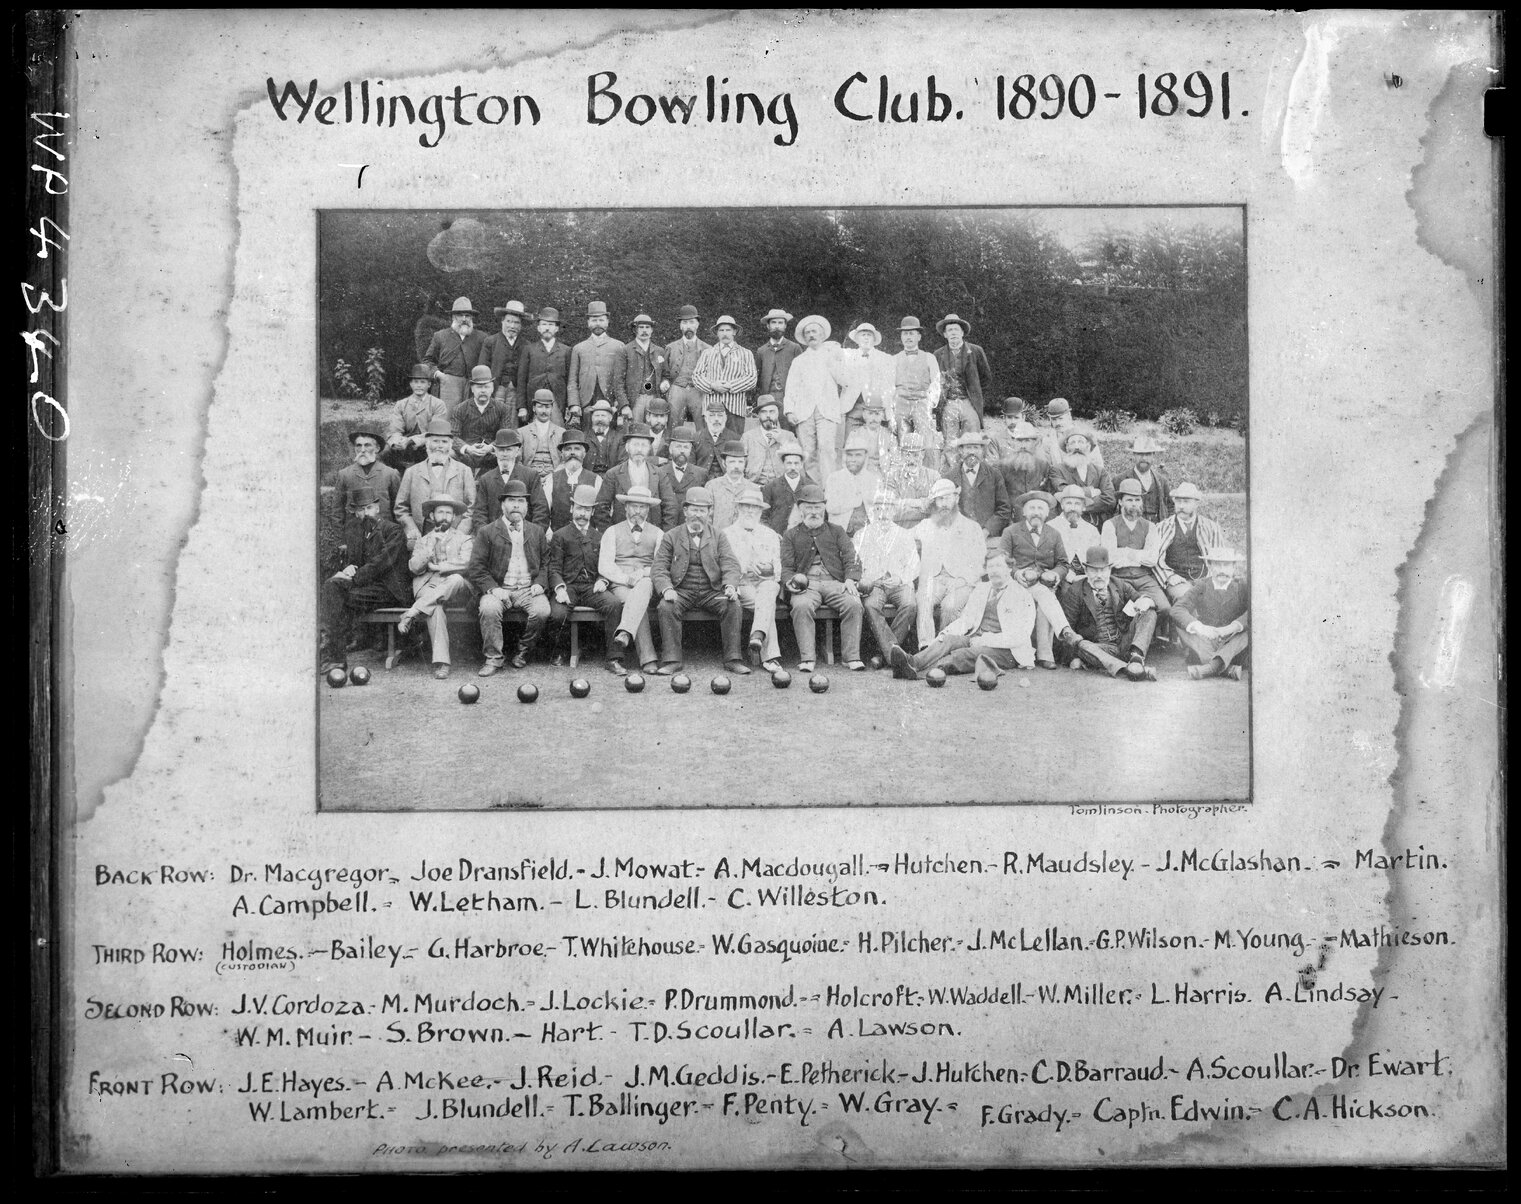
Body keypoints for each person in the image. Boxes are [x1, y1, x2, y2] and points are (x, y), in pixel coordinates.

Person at [888, 550, 1035, 680]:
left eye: (998, 566)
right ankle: (912, 662)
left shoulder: (1021, 595)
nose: (994, 571)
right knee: (948, 640)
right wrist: (945, 633)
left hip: (1008, 651)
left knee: (962, 655)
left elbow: (1019, 636)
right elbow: (966, 620)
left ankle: (923, 672)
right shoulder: (982, 589)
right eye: (990, 567)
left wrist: (984, 640)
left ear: (1009, 568)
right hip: (976, 639)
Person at [652, 486, 749, 675]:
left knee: (733, 605)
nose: (698, 515)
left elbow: (731, 564)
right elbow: (659, 567)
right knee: (666, 606)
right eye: (694, 510)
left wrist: (730, 586)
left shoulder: (719, 535)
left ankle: (733, 659)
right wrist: (666, 589)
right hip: (681, 591)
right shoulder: (671, 536)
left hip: (711, 592)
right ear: (685, 511)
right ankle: (672, 660)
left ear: (709, 513)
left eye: (702, 510)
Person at [319, 486, 410, 673]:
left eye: (368, 508)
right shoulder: (356, 532)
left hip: (389, 590)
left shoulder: (393, 531)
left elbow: (380, 564)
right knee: (333, 590)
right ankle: (334, 658)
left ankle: (331, 655)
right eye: (360, 510)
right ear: (356, 512)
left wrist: (352, 578)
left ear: (377, 508)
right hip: (366, 589)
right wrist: (347, 568)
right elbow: (354, 561)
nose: (365, 513)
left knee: (334, 592)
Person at [467, 479, 551, 674]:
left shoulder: (536, 531)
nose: (516, 505)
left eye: (521, 501)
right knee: (488, 608)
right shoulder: (487, 532)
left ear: (527, 506)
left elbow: (547, 563)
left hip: (528, 589)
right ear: (502, 504)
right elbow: (476, 567)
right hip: (499, 588)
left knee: (542, 611)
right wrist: (494, 589)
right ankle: (493, 658)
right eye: (511, 500)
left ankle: (523, 651)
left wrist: (540, 583)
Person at [780, 483, 866, 672]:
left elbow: (852, 558)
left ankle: (851, 657)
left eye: (818, 507)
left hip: (835, 582)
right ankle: (808, 659)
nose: (814, 512)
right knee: (801, 606)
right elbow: (786, 567)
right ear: (800, 509)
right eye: (809, 507)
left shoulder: (837, 531)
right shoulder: (790, 535)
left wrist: (851, 579)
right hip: (806, 586)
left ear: (824, 508)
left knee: (854, 604)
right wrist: (789, 582)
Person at [1056, 544, 1158, 680]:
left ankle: (1136, 658)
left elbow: (1144, 599)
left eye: (1103, 570)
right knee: (1080, 644)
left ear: (1110, 570)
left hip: (1124, 643)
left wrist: (1145, 601)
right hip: (1097, 647)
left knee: (1149, 612)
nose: (1099, 576)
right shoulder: (1075, 591)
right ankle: (1127, 669)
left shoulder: (1118, 584)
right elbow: (1067, 631)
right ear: (1085, 570)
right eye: (1094, 571)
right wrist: (1074, 655)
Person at [398, 496, 475, 679]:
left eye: (449, 513)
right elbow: (414, 567)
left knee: (456, 578)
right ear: (432, 516)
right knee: (435, 608)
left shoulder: (464, 539)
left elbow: (467, 564)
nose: (445, 517)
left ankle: (412, 612)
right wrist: (430, 548)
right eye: (441, 512)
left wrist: (439, 567)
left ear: (454, 517)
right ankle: (442, 663)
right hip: (428, 586)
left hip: (456, 588)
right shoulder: (424, 540)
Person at [997, 490, 1074, 670]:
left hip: (1042, 583)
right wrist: (1017, 573)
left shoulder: (1054, 534)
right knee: (1046, 597)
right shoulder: (1011, 531)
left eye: (1041, 508)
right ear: (1024, 512)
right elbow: (1002, 560)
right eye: (1032, 508)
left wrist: (1055, 574)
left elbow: (1063, 563)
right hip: (1016, 584)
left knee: (1044, 598)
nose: (1036, 512)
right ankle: (1062, 633)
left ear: (1047, 513)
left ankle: (1045, 654)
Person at [547, 483, 621, 668]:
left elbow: (606, 566)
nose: (582, 514)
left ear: (593, 512)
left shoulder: (599, 537)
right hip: (569, 587)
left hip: (591, 588)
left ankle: (613, 657)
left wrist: (603, 580)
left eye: (587, 510)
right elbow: (554, 568)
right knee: (557, 614)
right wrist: (560, 588)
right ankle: (560, 651)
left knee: (614, 604)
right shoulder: (560, 535)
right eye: (579, 508)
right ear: (572, 508)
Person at [596, 483, 664, 675]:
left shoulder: (658, 533)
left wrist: (643, 573)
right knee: (637, 602)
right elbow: (605, 565)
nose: (637, 511)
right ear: (625, 507)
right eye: (633, 506)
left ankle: (625, 631)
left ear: (648, 510)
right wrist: (626, 579)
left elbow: (661, 565)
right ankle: (648, 659)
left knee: (643, 588)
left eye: (642, 507)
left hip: (647, 582)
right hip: (620, 584)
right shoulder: (612, 532)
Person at [913, 478, 986, 645]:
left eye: (948, 497)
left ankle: (943, 645)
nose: (944, 503)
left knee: (950, 606)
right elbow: (902, 539)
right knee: (923, 598)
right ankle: (926, 646)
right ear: (934, 502)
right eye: (940, 499)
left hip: (961, 582)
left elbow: (980, 561)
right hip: (934, 580)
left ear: (957, 498)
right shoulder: (926, 525)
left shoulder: (972, 527)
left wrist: (964, 580)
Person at [855, 488, 919, 667]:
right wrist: (869, 580)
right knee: (870, 605)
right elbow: (855, 565)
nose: (883, 514)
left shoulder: (905, 535)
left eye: (887, 509)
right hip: (875, 584)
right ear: (873, 511)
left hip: (899, 583)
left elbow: (914, 564)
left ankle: (884, 655)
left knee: (910, 604)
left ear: (894, 511)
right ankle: (894, 656)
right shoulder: (862, 535)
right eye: (879, 509)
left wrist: (900, 578)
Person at [724, 484, 785, 673]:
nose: (750, 511)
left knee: (768, 590)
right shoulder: (726, 534)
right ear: (738, 508)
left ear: (760, 511)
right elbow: (725, 565)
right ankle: (769, 655)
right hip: (743, 586)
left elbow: (778, 570)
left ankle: (758, 636)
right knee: (765, 603)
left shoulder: (770, 534)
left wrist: (767, 570)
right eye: (746, 506)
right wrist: (746, 567)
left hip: (765, 584)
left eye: (755, 508)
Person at [783, 314, 850, 484]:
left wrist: (832, 359)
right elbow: (791, 387)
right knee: (807, 451)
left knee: (827, 449)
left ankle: (829, 488)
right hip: (804, 412)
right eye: (808, 333)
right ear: (804, 338)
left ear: (822, 335)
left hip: (827, 411)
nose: (811, 335)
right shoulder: (799, 361)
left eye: (815, 331)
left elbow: (845, 380)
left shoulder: (833, 355)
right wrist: (789, 410)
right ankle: (812, 488)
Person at [1170, 546, 1250, 680]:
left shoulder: (1241, 587)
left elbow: (1255, 611)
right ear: (1210, 566)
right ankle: (1225, 668)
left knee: (1250, 629)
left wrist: (1231, 627)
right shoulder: (1202, 585)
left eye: (1226, 565)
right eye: (1218, 565)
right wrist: (1201, 628)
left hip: (1232, 642)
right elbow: (1177, 609)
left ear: (1234, 568)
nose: (1222, 570)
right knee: (1181, 623)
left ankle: (1211, 667)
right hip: (1207, 640)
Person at [394, 419, 476, 550]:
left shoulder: (464, 471)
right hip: (421, 536)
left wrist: (459, 535)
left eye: (444, 442)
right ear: (427, 443)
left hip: (454, 537)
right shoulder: (412, 472)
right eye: (435, 441)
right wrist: (412, 530)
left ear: (450, 445)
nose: (439, 446)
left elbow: (472, 507)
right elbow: (401, 507)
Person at [1100, 478, 1173, 614]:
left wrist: (1125, 552)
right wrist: (1139, 555)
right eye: (1129, 500)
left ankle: (1150, 633)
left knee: (1164, 608)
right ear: (1120, 501)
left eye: (1137, 500)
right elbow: (1109, 558)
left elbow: (1152, 559)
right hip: (1118, 577)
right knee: (1119, 609)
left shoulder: (1150, 527)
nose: (1134, 504)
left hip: (1144, 577)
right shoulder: (1110, 525)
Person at [595, 422, 678, 529]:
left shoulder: (659, 474)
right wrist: (612, 534)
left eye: (644, 445)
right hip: (622, 537)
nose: (639, 449)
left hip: (651, 537)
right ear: (627, 447)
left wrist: (662, 537)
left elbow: (670, 507)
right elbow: (601, 508)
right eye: (635, 444)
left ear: (649, 448)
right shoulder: (613, 474)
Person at [1155, 481, 1226, 598]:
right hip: (1177, 581)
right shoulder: (1162, 528)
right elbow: (1155, 560)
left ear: (1196, 504)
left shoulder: (1211, 527)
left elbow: (1220, 558)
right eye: (1178, 501)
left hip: (1204, 578)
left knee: (1213, 599)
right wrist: (1169, 576)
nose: (1181, 506)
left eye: (1186, 502)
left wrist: (1213, 579)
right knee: (1186, 598)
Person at [692, 315, 758, 439]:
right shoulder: (707, 353)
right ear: (717, 333)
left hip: (735, 408)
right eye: (721, 330)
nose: (725, 333)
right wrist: (712, 385)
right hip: (712, 408)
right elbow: (696, 376)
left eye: (728, 330)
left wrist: (731, 386)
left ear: (734, 332)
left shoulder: (745, 353)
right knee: (711, 441)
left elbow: (751, 378)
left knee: (734, 442)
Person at [473, 428, 550, 529]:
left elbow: (541, 511)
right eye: (501, 450)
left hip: (525, 537)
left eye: (509, 450)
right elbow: (479, 514)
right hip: (495, 538)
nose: (505, 454)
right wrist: (488, 538)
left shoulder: (530, 475)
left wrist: (532, 537)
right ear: (495, 452)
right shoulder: (486, 479)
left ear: (517, 451)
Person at [941, 431, 1012, 537]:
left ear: (982, 450)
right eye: (968, 448)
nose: (972, 452)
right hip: (958, 537)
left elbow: (1004, 509)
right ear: (961, 450)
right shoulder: (949, 477)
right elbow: (943, 509)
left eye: (976, 448)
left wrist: (987, 530)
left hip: (987, 537)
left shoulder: (994, 475)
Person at [838, 321, 898, 439]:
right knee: (852, 445)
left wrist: (889, 415)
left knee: (873, 446)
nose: (865, 338)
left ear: (874, 339)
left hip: (874, 410)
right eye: (863, 335)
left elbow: (889, 388)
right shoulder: (848, 356)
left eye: (869, 335)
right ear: (857, 339)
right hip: (853, 409)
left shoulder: (885, 359)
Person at [384, 364, 450, 470]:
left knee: (443, 452)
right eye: (415, 382)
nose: (419, 385)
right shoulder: (401, 404)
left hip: (427, 444)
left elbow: (435, 431)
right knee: (384, 451)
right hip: (404, 445)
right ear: (411, 384)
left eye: (422, 382)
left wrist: (412, 440)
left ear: (429, 384)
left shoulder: (438, 404)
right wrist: (397, 442)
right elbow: (395, 429)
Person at [421, 296, 485, 406]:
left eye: (467, 315)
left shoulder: (481, 338)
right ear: (453, 317)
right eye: (460, 315)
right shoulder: (440, 336)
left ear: (471, 318)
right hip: (448, 386)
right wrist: (438, 374)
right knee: (447, 420)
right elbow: (427, 360)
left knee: (470, 420)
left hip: (473, 387)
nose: (464, 319)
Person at [933, 313, 991, 433]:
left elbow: (986, 378)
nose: (953, 333)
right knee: (950, 442)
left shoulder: (976, 351)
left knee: (971, 440)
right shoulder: (938, 354)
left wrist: (975, 394)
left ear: (962, 333)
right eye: (949, 330)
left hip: (969, 402)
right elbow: (934, 381)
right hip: (948, 404)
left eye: (956, 329)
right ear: (945, 334)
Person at [1046, 429, 1115, 528]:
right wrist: (1090, 493)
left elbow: (1110, 499)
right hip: (1068, 525)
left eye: (1081, 442)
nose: (1077, 447)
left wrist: (1076, 506)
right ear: (1067, 447)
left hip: (1096, 526)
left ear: (1088, 446)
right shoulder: (1057, 470)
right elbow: (1064, 491)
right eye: (1072, 443)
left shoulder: (1100, 472)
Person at [516, 306, 572, 425]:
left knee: (557, 431)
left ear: (556, 328)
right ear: (539, 328)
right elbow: (521, 380)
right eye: (544, 324)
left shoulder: (566, 350)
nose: (547, 328)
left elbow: (569, 380)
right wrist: (522, 406)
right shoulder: (529, 349)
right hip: (534, 400)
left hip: (557, 400)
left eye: (551, 325)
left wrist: (568, 405)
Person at [451, 365, 510, 473]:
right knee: (449, 453)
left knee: (511, 454)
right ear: (472, 389)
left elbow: (505, 435)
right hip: (467, 456)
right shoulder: (460, 409)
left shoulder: (502, 409)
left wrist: (490, 447)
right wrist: (468, 448)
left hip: (492, 456)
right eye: (479, 387)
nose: (483, 390)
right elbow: (453, 437)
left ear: (492, 388)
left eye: (486, 387)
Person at [538, 428, 601, 530]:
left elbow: (600, 513)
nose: (572, 453)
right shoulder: (552, 479)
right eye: (568, 449)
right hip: (557, 538)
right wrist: (548, 532)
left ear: (584, 454)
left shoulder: (596, 479)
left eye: (577, 449)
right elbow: (543, 511)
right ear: (562, 454)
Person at [569, 300, 624, 415]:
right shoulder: (578, 348)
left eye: (601, 320)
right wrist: (574, 403)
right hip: (586, 400)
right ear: (588, 322)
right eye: (594, 320)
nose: (598, 323)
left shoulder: (619, 346)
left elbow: (623, 377)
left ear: (607, 322)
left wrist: (621, 403)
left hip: (612, 399)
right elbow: (572, 380)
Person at [892, 316, 941, 447]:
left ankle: (926, 467)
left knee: (926, 442)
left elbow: (936, 384)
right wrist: (893, 405)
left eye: (912, 333)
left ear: (919, 337)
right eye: (905, 334)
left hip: (922, 404)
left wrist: (929, 404)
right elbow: (889, 385)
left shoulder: (929, 358)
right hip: (901, 404)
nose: (908, 337)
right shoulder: (893, 359)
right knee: (903, 441)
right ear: (901, 337)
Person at [825, 430, 882, 536]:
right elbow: (830, 507)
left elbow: (879, 510)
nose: (853, 459)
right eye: (850, 455)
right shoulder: (834, 478)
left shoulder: (873, 479)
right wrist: (856, 500)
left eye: (858, 455)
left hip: (868, 534)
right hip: (842, 533)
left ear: (865, 457)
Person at [662, 304, 709, 430]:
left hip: (698, 390)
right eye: (685, 322)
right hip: (677, 388)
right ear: (680, 326)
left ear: (697, 325)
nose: (688, 326)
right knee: (673, 424)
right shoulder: (670, 348)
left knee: (703, 426)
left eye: (692, 322)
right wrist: (665, 382)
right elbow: (665, 373)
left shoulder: (707, 349)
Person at [613, 312, 666, 423]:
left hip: (654, 398)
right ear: (634, 330)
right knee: (634, 431)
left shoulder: (660, 351)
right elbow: (618, 382)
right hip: (635, 400)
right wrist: (624, 405)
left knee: (654, 431)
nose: (644, 330)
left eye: (647, 327)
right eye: (641, 327)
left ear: (652, 330)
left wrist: (665, 382)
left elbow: (666, 374)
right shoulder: (625, 350)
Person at [335, 428, 400, 517]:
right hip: (354, 529)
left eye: (367, 445)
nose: (362, 450)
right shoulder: (344, 474)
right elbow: (337, 511)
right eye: (358, 445)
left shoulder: (391, 474)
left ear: (377, 448)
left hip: (383, 529)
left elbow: (398, 509)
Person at [480, 299, 527, 421]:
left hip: (515, 391)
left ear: (521, 325)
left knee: (511, 423)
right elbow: (482, 370)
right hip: (496, 388)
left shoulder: (526, 345)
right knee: (493, 419)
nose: (512, 326)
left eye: (516, 323)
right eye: (509, 321)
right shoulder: (490, 342)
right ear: (502, 321)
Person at [753, 307, 801, 413]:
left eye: (780, 323)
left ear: (785, 325)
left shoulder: (794, 348)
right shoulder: (761, 351)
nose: (777, 326)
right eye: (773, 323)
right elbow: (757, 378)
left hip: (788, 400)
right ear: (768, 326)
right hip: (767, 400)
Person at [886, 431, 937, 526]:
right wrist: (922, 503)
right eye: (907, 455)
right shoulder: (892, 478)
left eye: (916, 455)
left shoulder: (934, 476)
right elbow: (891, 508)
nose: (911, 460)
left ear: (923, 454)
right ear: (901, 454)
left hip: (928, 529)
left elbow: (937, 506)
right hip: (902, 528)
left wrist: (904, 503)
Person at [516, 388, 567, 478]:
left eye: (547, 407)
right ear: (534, 408)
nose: (544, 411)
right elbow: (517, 460)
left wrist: (553, 476)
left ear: (552, 408)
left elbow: (565, 461)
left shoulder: (562, 433)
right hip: (529, 477)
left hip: (555, 477)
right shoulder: (522, 432)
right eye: (540, 407)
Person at [762, 439, 809, 534]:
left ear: (801, 465)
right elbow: (762, 517)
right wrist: (771, 535)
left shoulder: (810, 487)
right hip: (777, 538)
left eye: (796, 463)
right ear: (783, 464)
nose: (793, 468)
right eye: (789, 463)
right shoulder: (770, 487)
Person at [1043, 398, 1106, 470]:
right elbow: (1047, 468)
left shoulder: (1083, 436)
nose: (1058, 423)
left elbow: (1098, 465)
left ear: (1068, 416)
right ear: (1050, 420)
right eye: (1054, 419)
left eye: (1061, 419)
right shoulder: (1048, 440)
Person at [1051, 483, 1101, 572]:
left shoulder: (1091, 530)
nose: (1073, 508)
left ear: (1084, 507)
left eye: (1077, 504)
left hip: (1086, 575)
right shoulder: (1051, 527)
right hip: (1060, 574)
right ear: (1062, 505)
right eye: (1069, 503)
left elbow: (1096, 560)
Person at [707, 440, 752, 533]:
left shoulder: (753, 489)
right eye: (732, 462)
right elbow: (707, 519)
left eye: (740, 462)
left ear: (745, 464)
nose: (736, 466)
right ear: (724, 463)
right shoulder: (712, 486)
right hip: (718, 541)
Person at [999, 419, 1052, 499]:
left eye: (1027, 441)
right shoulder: (1003, 467)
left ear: (1034, 443)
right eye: (1019, 441)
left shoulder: (1044, 465)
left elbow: (1048, 493)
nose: (1023, 446)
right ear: (1013, 443)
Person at [742, 395, 789, 484]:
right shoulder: (747, 437)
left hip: (781, 488)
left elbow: (797, 465)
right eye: (764, 412)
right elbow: (739, 466)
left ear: (777, 413)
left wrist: (782, 441)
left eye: (772, 412)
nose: (768, 415)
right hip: (754, 486)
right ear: (758, 415)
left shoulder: (788, 436)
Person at [663, 424, 710, 511]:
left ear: (690, 450)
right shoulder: (660, 472)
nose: (682, 451)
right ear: (670, 449)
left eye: (686, 447)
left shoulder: (701, 474)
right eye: (678, 446)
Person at [1127, 434, 1172, 522]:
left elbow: (1171, 507)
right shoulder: (1121, 480)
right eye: (1140, 454)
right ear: (1134, 455)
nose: (1143, 458)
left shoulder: (1162, 482)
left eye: (1147, 454)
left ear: (1153, 456)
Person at [692, 397, 733, 477]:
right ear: (706, 418)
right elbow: (691, 468)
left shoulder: (734, 439)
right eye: (712, 415)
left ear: (725, 418)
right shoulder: (696, 438)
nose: (716, 419)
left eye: (720, 416)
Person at [855, 398, 897, 476]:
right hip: (862, 476)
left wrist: (890, 474)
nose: (874, 418)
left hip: (883, 475)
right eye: (870, 413)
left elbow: (896, 459)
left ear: (883, 416)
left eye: (877, 414)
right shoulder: (856, 435)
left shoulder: (888, 435)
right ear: (864, 415)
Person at [980, 396, 1024, 468]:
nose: (1013, 422)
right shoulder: (995, 440)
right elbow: (992, 467)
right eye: (1009, 417)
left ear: (1023, 418)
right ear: (1004, 418)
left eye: (1016, 418)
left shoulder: (1032, 440)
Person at [643, 396, 674, 464]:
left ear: (666, 418)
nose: (659, 420)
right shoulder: (642, 436)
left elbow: (673, 462)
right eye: (655, 416)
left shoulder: (671, 437)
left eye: (662, 416)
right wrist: (656, 460)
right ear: (648, 417)